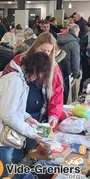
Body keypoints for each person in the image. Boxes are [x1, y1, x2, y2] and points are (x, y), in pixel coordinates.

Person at [0, 52, 51, 179]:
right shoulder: (13, 80)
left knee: (2, 174)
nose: (40, 78)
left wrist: (27, 117)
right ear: (35, 69)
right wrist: (31, 132)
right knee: (5, 178)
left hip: (1, 134)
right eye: (41, 74)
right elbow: (8, 114)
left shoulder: (17, 76)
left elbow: (11, 106)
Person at [12, 32, 64, 163]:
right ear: (35, 47)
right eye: (42, 49)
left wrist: (54, 115)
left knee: (34, 152)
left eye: (48, 51)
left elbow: (57, 92)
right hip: (18, 114)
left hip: (38, 116)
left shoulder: (54, 66)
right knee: (16, 151)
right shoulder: (19, 60)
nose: (45, 53)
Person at [57, 24, 80, 103]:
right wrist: (76, 74)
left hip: (57, 69)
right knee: (66, 94)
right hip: (68, 71)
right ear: (75, 31)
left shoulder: (59, 40)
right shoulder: (74, 43)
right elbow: (75, 59)